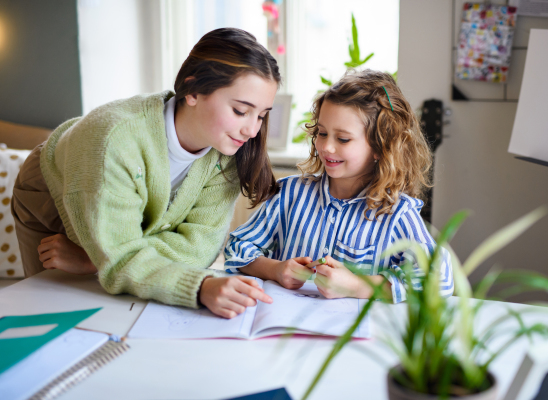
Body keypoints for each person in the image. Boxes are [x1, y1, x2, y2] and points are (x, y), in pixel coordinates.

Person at [11, 28, 279, 318]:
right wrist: (197, 286)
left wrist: (99, 259)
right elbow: (123, 261)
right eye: (241, 111)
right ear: (193, 90)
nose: (252, 130)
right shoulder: (114, 139)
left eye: (262, 115)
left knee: (125, 303)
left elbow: (200, 248)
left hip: (127, 215)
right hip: (59, 191)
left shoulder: (227, 151)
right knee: (50, 311)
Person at [224, 69, 454, 303]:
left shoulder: (396, 213)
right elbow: (237, 246)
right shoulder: (289, 194)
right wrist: (274, 269)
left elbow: (440, 279)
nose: (326, 147)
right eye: (322, 133)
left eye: (343, 139)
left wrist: (357, 285)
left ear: (379, 145)